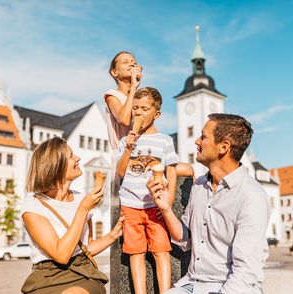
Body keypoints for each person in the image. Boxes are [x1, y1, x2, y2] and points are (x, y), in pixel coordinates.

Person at [147, 113, 272, 294]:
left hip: (234, 287)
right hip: (193, 284)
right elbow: (185, 239)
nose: (197, 141)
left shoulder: (252, 196)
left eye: (204, 136)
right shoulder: (199, 185)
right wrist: (165, 208)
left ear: (223, 147)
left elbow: (246, 273)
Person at [21, 137, 124, 294]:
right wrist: (83, 209)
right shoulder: (33, 206)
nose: (78, 158)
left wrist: (113, 234)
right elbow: (61, 255)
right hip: (47, 277)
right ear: (56, 165)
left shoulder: (82, 199)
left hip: (83, 275)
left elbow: (85, 249)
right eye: (71, 156)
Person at [116, 87, 178, 294]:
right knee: (136, 253)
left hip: (155, 204)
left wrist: (168, 203)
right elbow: (120, 171)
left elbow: (172, 172)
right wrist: (128, 147)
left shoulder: (165, 140)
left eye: (144, 108)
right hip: (130, 205)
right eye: (135, 108)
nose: (139, 113)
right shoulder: (126, 141)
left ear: (157, 114)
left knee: (161, 251)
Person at [104, 51, 194, 179]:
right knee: (183, 169)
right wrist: (134, 86)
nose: (131, 64)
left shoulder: (137, 98)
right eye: (125, 62)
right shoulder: (112, 95)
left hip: (143, 150)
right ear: (114, 72)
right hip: (124, 154)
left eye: (134, 62)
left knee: (188, 169)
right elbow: (124, 120)